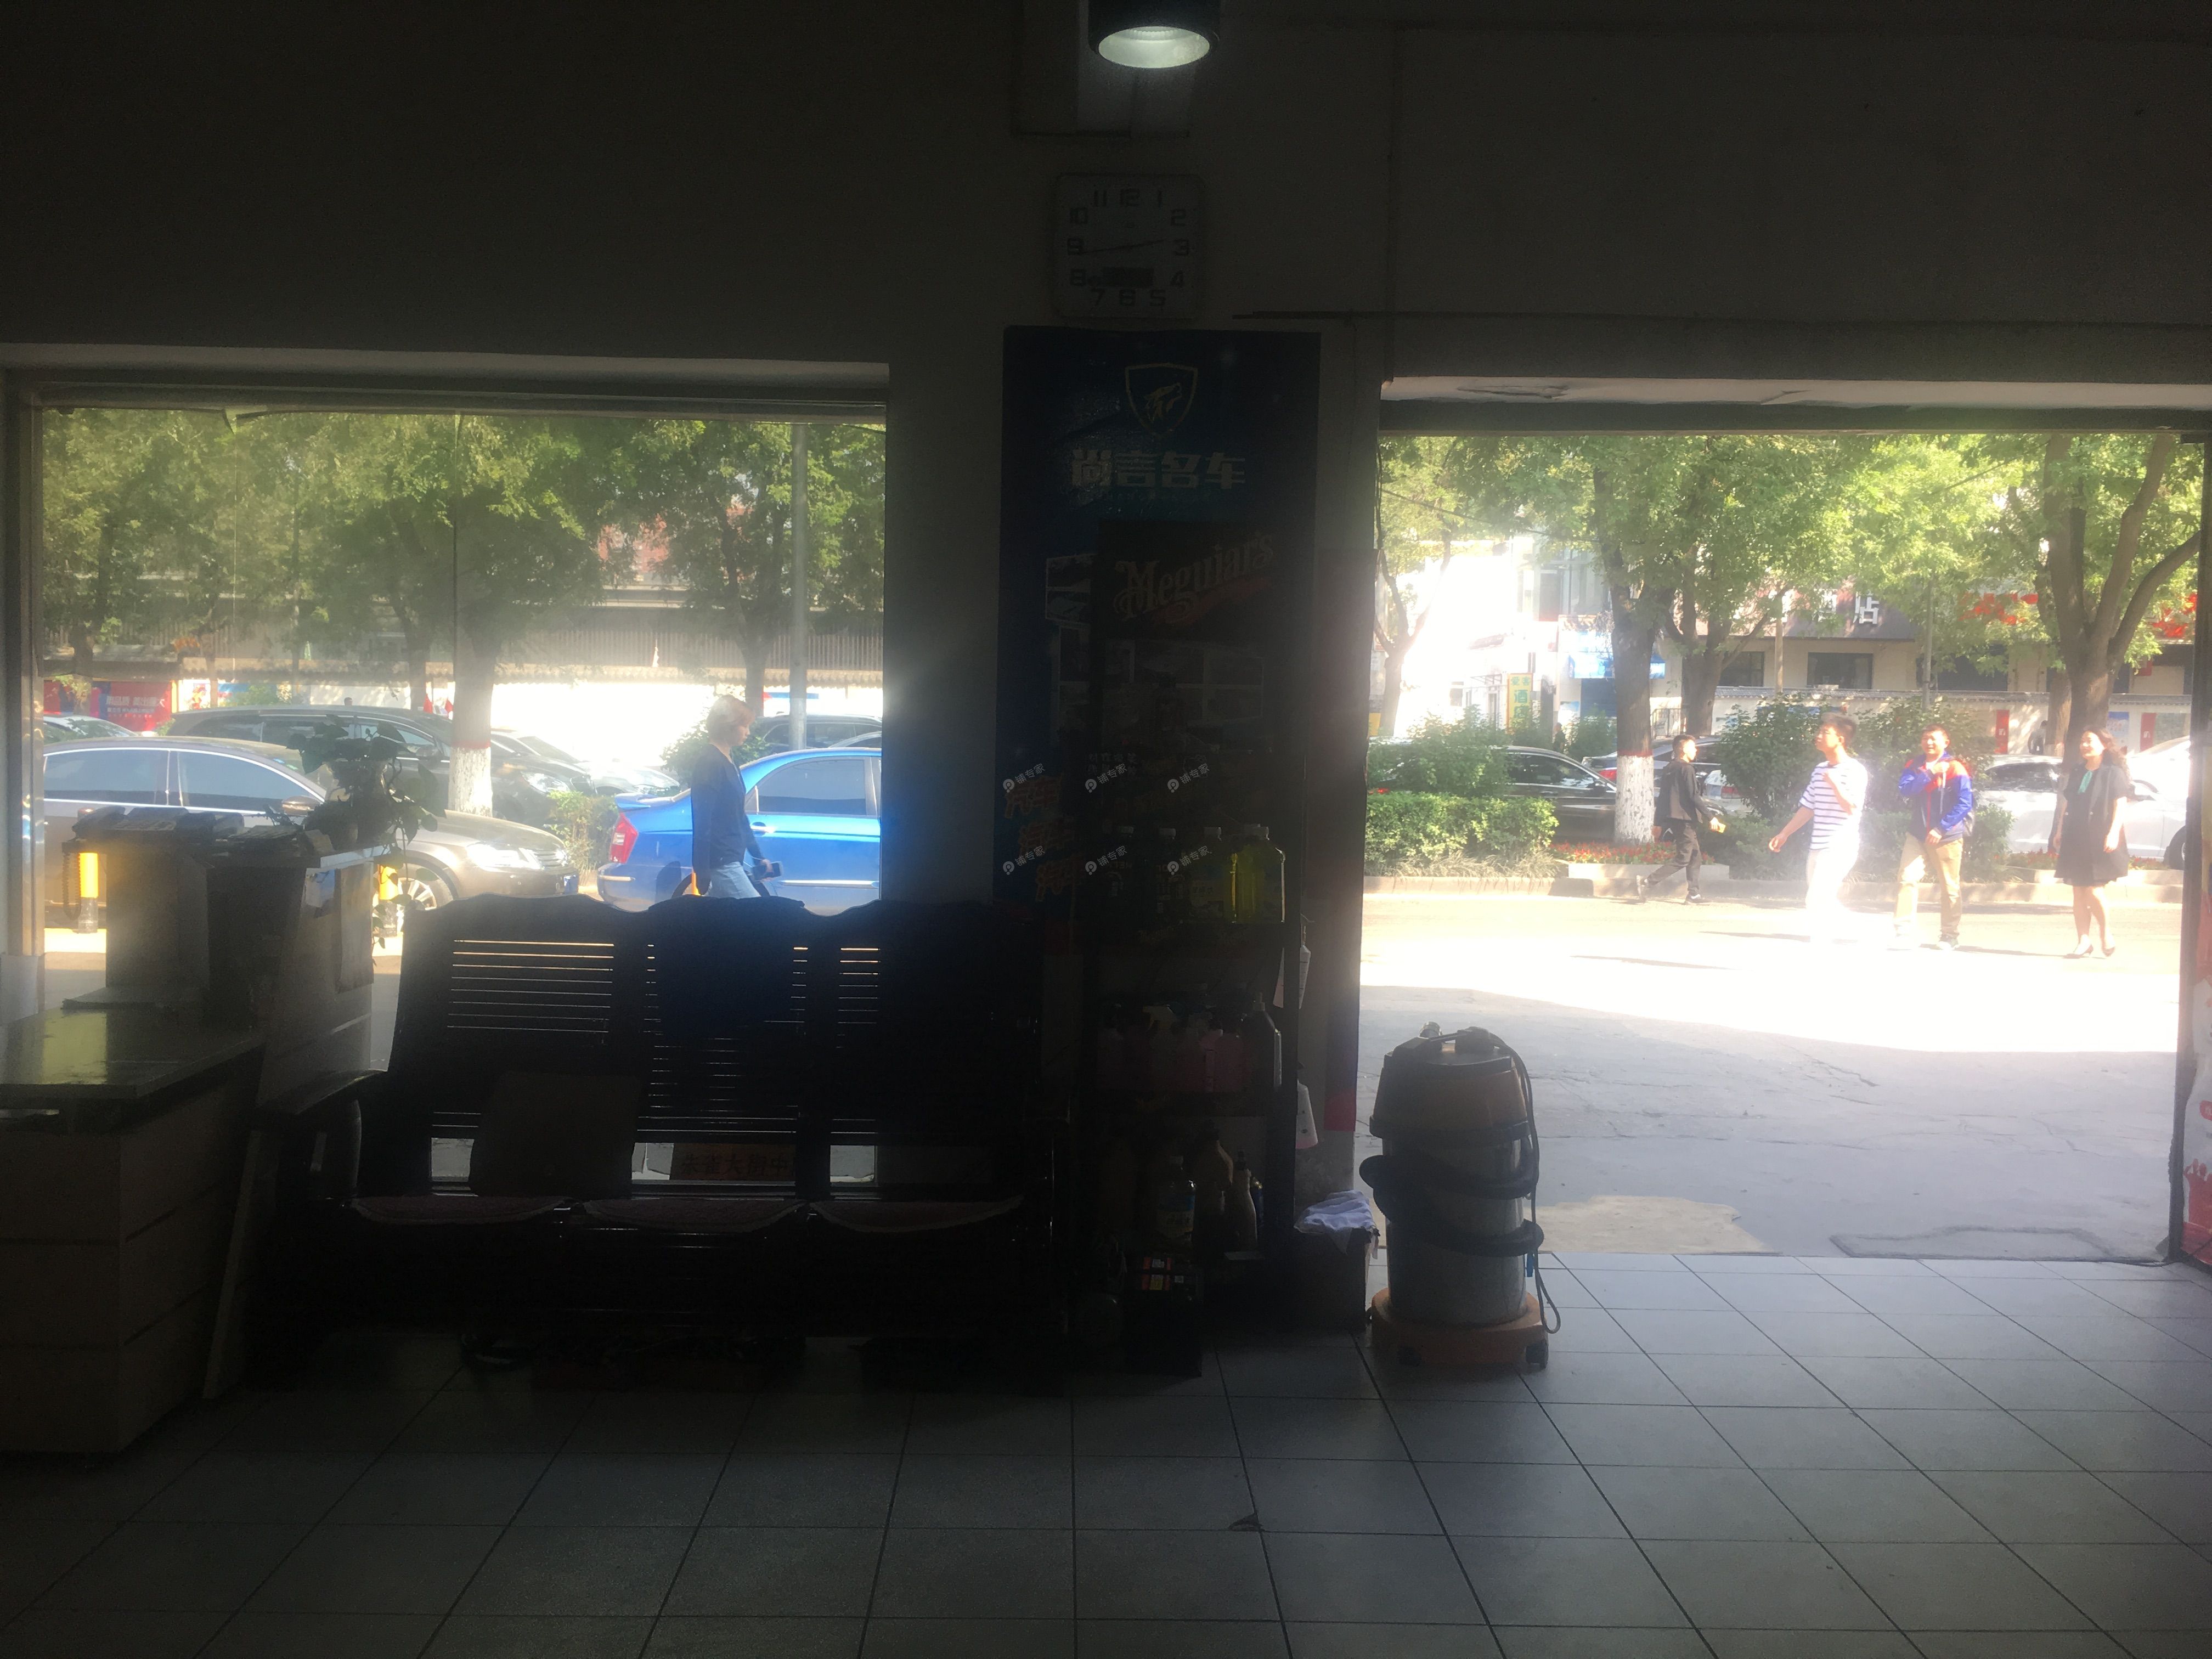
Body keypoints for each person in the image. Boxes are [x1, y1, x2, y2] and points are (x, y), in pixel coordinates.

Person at [1767, 713, 1869, 945]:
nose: (1819, 736)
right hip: (1818, 844)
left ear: (1841, 739)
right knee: (1821, 896)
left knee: (1816, 897)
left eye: (1825, 732)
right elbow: (1808, 807)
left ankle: (1822, 938)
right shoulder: (1819, 769)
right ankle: (1860, 929)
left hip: (1841, 844)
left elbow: (1852, 808)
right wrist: (1784, 833)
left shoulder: (1855, 770)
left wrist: (1835, 784)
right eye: (1820, 731)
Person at [2049, 727, 2130, 958]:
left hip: (2100, 837)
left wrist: (2113, 833)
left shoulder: (2113, 772)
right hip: (2076, 836)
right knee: (2078, 891)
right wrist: (2060, 829)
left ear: (2104, 745)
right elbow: (2068, 802)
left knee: (2094, 890)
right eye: (2082, 741)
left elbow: (2120, 805)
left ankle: (2105, 932)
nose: (2084, 745)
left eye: (2090, 741)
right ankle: (2083, 940)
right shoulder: (2078, 770)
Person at [1893, 725, 1974, 952]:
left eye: (1933, 739)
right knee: (1907, 879)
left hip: (1946, 836)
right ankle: (1904, 932)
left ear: (1946, 742)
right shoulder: (1915, 765)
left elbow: (1965, 803)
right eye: (1925, 738)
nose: (1929, 743)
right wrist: (1930, 773)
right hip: (1917, 834)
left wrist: (1941, 828)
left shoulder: (1956, 767)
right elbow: (1906, 790)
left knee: (1949, 886)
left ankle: (1949, 935)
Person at [689, 695, 768, 899]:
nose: (748, 732)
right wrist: (702, 870)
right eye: (744, 726)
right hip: (722, 862)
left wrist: (758, 856)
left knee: (719, 917)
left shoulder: (729, 760)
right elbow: (702, 820)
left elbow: (739, 815)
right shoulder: (710, 763)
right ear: (728, 726)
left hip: (731, 858)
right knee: (757, 912)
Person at [1637, 733, 1722, 904]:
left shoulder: (1670, 768)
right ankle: (1647, 882)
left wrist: (1658, 823)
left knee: (1695, 856)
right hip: (1685, 820)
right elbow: (1694, 796)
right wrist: (1711, 818)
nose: (1696, 750)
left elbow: (1663, 797)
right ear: (1683, 750)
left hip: (1675, 819)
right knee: (1684, 858)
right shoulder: (1687, 769)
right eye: (1693, 747)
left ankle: (1694, 894)